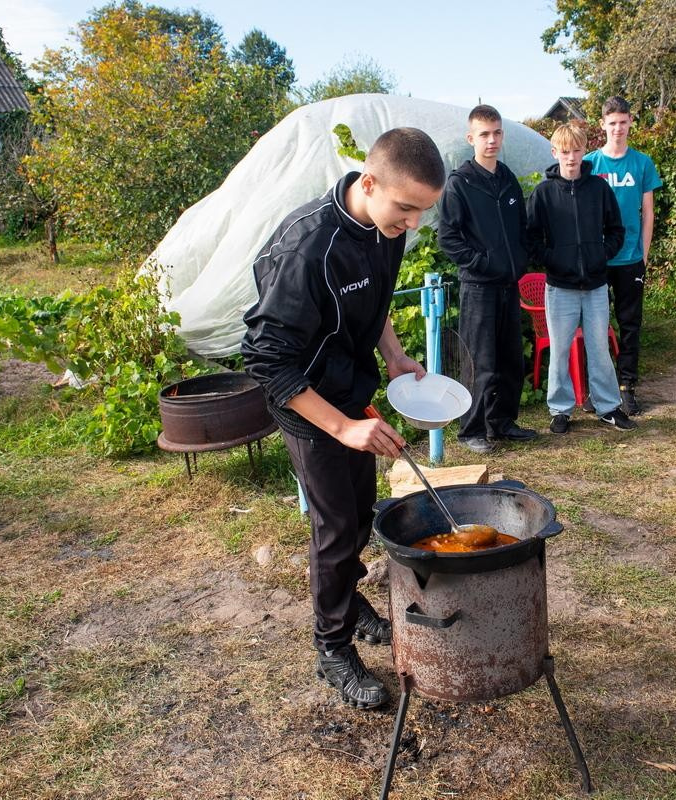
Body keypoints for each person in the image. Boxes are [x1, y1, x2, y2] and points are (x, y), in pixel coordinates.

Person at [241, 128, 445, 710]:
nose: (410, 224)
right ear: (369, 181)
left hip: (352, 390)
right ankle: (331, 647)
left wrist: (395, 355)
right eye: (405, 208)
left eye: (421, 213)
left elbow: (372, 303)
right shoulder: (307, 248)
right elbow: (266, 360)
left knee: (360, 515)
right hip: (308, 404)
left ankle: (351, 604)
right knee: (335, 532)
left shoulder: (387, 227)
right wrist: (342, 427)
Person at [437, 104, 537, 454]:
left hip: (508, 285)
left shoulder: (506, 177)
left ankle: (502, 422)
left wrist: (519, 261)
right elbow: (448, 238)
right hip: (478, 287)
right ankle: (472, 430)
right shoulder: (460, 184)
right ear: (471, 139)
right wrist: (482, 263)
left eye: (496, 133)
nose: (491, 140)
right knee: (479, 360)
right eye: (484, 134)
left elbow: (521, 228)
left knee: (510, 357)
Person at [526, 122, 634, 434]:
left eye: (576, 150)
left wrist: (601, 255)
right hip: (560, 288)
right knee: (559, 350)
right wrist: (553, 260)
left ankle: (609, 408)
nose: (571, 157)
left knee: (599, 347)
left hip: (596, 285)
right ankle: (560, 410)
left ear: (584, 151)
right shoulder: (544, 194)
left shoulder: (599, 189)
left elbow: (616, 230)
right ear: (554, 152)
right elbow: (531, 239)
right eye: (564, 151)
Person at [583, 96, 663, 416]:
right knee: (596, 326)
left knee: (630, 326)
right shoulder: (590, 164)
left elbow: (648, 213)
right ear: (602, 125)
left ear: (631, 122)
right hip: (599, 260)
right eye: (611, 123)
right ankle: (599, 390)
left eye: (623, 122)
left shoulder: (642, 163)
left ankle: (627, 389)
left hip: (630, 259)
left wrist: (643, 256)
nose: (617, 128)